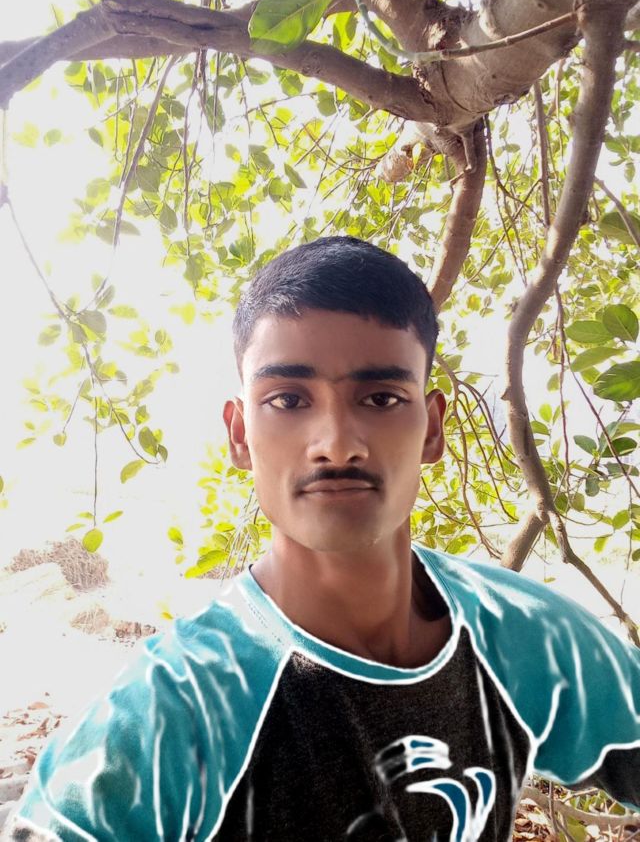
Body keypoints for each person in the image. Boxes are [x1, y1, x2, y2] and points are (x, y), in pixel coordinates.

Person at [4, 236, 640, 842]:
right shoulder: (177, 710)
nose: (336, 444)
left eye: (382, 398)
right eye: (287, 399)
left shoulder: (523, 638)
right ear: (239, 434)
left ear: (431, 429)